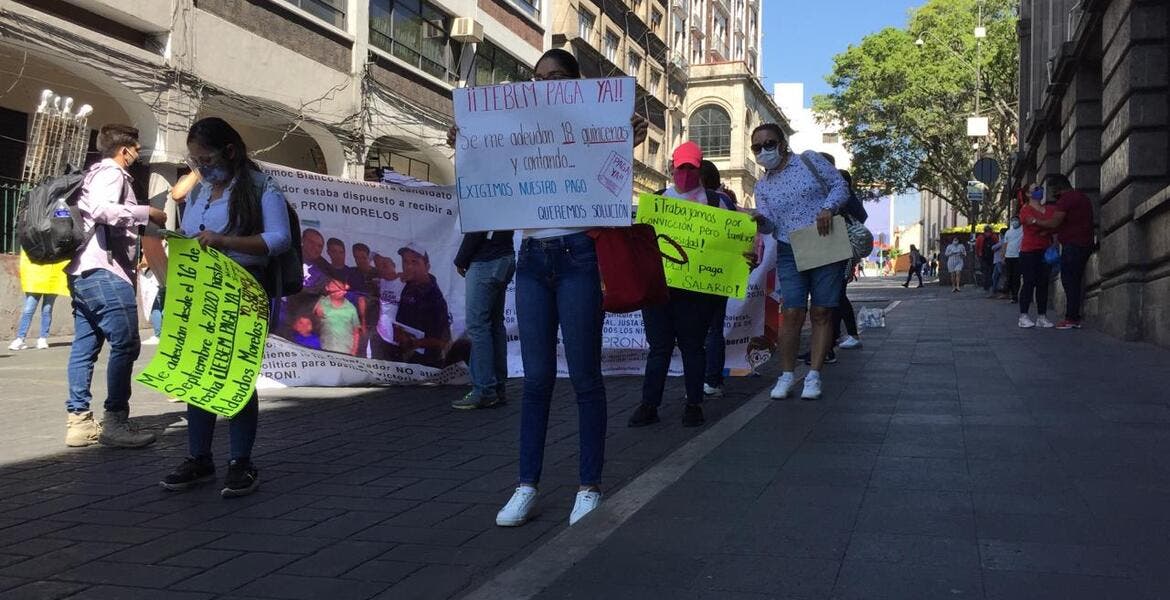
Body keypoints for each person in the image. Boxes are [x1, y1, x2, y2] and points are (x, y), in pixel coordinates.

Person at [453, 49, 649, 528]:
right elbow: (488, 172)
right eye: (539, 78)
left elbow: (613, 160)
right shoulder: (516, 128)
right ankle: (526, 485)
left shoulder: (592, 126)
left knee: (584, 378)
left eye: (558, 77)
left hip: (580, 255)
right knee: (537, 380)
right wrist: (469, 141)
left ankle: (588, 486)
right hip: (532, 259)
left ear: (577, 84)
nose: (546, 85)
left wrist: (629, 135)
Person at [160, 116, 291, 497]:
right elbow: (190, 235)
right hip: (203, 291)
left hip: (244, 290)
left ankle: (240, 461)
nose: (201, 167)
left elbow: (278, 239)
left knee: (235, 377)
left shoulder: (262, 187)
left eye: (206, 159)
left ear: (229, 152)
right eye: (195, 161)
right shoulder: (201, 192)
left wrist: (224, 241)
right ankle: (199, 458)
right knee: (199, 375)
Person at [63, 124, 167, 448]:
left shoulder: (90, 174)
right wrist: (145, 211)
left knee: (85, 346)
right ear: (124, 151)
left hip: (82, 272)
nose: (138, 155)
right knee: (126, 344)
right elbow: (102, 210)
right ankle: (115, 421)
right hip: (106, 272)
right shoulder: (113, 174)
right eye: (136, 150)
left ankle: (79, 422)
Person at [628, 142, 732, 428]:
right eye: (680, 167)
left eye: (691, 168)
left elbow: (735, 245)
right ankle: (649, 404)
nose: (684, 173)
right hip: (659, 289)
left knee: (693, 347)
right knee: (659, 348)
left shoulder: (717, 202)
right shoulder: (656, 201)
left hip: (698, 292)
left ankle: (694, 404)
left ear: (699, 169)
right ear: (672, 167)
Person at [749, 123, 850, 401]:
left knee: (822, 310)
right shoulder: (762, 186)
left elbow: (840, 186)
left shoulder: (808, 160)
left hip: (823, 241)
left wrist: (828, 208)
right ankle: (786, 374)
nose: (764, 150)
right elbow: (770, 225)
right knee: (791, 312)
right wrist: (760, 220)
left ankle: (814, 375)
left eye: (769, 143)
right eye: (757, 147)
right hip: (788, 248)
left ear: (782, 143)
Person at [451, 220, 515, 410]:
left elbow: (478, 225)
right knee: (494, 324)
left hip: (485, 260)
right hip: (504, 256)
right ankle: (497, 387)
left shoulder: (482, 192)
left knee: (478, 326)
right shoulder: (505, 192)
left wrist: (461, 259)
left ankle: (484, 390)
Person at [1032, 174, 1093, 329]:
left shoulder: (1066, 200)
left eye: (1052, 189)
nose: (1051, 194)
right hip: (1085, 243)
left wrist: (1035, 222)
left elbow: (1054, 222)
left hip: (1073, 245)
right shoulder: (1083, 197)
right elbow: (1069, 222)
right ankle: (1074, 316)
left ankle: (1072, 318)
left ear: (1058, 187)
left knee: (1069, 280)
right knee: (1076, 280)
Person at [698, 159, 735, 397]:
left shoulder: (684, 200)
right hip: (718, 275)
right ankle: (713, 380)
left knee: (702, 331)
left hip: (694, 276)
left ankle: (703, 377)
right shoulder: (725, 202)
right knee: (714, 329)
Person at [395, 244, 451, 368]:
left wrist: (414, 343)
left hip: (428, 367)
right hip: (405, 362)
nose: (408, 266)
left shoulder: (434, 298)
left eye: (415, 262)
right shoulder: (408, 286)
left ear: (427, 267)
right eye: (405, 261)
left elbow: (442, 341)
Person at [1018, 185, 1057, 328]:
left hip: (1045, 250)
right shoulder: (1025, 210)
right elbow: (1030, 222)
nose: (1039, 191)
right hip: (1029, 250)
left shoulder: (1050, 209)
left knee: (1043, 283)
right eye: (1035, 189)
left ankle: (1042, 316)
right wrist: (1046, 226)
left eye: (1040, 188)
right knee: (1029, 282)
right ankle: (1023, 316)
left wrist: (1040, 225)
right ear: (1028, 194)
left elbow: (1055, 225)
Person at [9, 251, 66, 351]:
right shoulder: (35, 238)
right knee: (28, 310)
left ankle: (42, 338)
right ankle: (20, 339)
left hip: (52, 279)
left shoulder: (55, 239)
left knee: (47, 310)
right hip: (35, 279)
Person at [371, 250, 406, 361]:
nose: (382, 268)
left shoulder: (404, 281)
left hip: (398, 337)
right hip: (381, 334)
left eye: (385, 265)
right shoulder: (379, 282)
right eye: (379, 267)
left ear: (394, 265)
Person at [315, 278, 361, 354]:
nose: (337, 289)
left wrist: (354, 351)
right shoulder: (320, 303)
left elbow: (356, 332)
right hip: (325, 350)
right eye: (333, 286)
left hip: (346, 351)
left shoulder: (351, 308)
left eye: (340, 287)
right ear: (327, 288)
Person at [1003, 216, 1023, 302]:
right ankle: (1011, 294)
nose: (1014, 222)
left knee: (1016, 277)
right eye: (1013, 220)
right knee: (1009, 276)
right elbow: (1005, 244)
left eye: (1016, 220)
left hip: (1018, 256)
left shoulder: (1022, 230)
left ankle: (1015, 295)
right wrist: (1003, 255)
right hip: (1008, 256)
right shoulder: (1008, 232)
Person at [990, 228, 1008, 298]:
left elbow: (993, 247)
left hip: (1000, 261)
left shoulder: (1003, 241)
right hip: (998, 260)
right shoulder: (1002, 241)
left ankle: (1002, 291)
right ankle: (994, 291)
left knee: (1001, 276)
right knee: (995, 276)